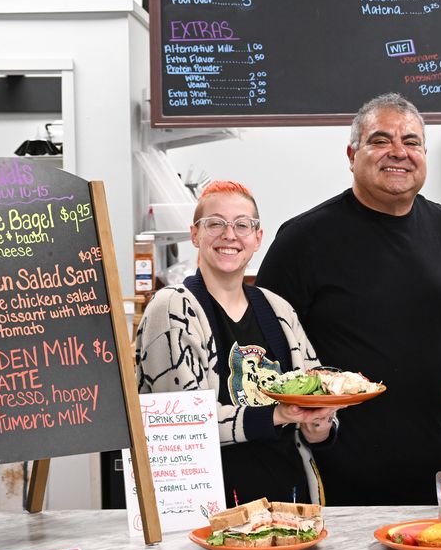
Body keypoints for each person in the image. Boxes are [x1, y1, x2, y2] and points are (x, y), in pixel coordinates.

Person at [256, 93, 441, 505]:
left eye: (412, 141)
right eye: (381, 140)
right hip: (332, 471)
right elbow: (267, 358)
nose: (398, 152)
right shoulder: (302, 240)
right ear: (352, 154)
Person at [135, 180, 340, 507]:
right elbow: (179, 427)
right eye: (215, 224)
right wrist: (279, 414)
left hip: (291, 504)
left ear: (258, 238)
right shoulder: (173, 309)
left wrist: (318, 424)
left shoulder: (278, 309)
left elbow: (313, 393)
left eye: (242, 225)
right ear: (195, 235)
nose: (229, 235)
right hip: (208, 515)